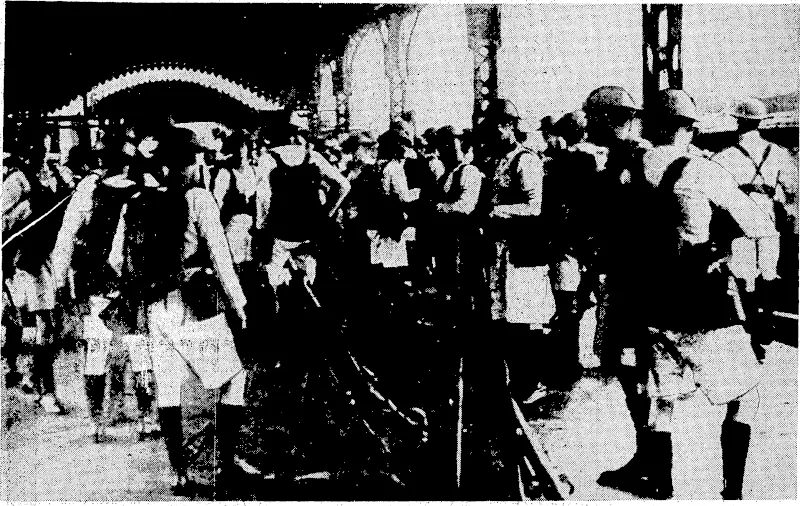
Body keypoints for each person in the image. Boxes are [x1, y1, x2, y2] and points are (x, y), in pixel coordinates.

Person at [598, 88, 778, 499]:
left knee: (663, 398)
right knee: (744, 395)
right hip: (704, 301)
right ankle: (732, 491)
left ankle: (661, 480)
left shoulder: (628, 170)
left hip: (653, 303)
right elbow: (758, 225)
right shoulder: (703, 170)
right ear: (690, 128)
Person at [142, 126, 248, 496]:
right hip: (194, 303)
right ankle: (225, 463)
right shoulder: (198, 197)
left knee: (168, 390)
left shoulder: (141, 199)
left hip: (157, 306)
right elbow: (220, 256)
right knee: (233, 378)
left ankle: (179, 473)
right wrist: (239, 303)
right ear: (189, 161)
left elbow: (118, 258)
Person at [50, 121, 165, 442]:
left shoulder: (89, 188)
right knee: (140, 350)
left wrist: (62, 281)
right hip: (137, 284)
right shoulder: (149, 185)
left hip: (97, 282)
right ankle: (145, 418)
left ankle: (98, 421)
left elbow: (67, 237)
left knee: (97, 350)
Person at [711, 98, 798, 357]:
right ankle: (768, 321)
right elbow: (792, 191)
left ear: (737, 121)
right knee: (768, 273)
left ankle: (751, 326)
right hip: (769, 221)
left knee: (743, 275)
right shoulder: (779, 152)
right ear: (761, 122)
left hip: (739, 223)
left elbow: (716, 197)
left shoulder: (723, 156)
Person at [431, 126, 484, 329]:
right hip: (449, 242)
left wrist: (440, 207)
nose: (444, 151)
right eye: (442, 146)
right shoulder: (447, 174)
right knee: (449, 286)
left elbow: (465, 206)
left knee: (466, 288)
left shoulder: (469, 172)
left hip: (465, 242)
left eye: (450, 145)